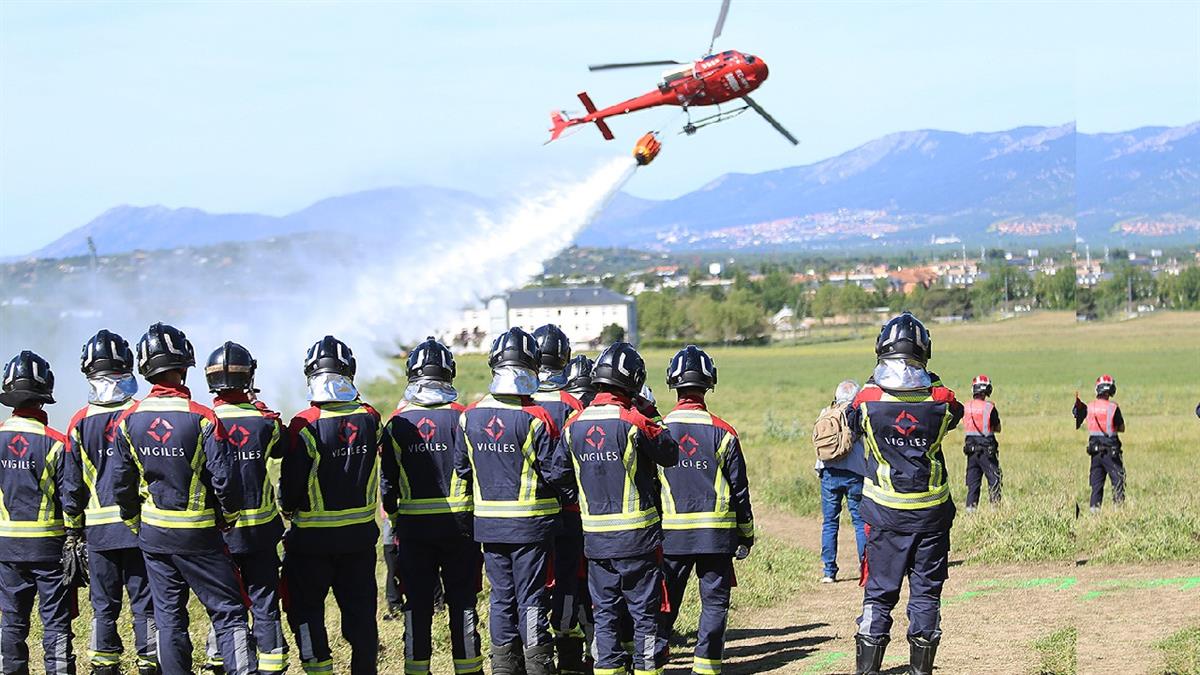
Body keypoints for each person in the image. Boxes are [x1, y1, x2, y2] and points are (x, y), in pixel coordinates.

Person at [113, 322, 257, 675]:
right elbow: (224, 478)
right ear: (185, 364)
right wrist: (230, 515)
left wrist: (135, 522)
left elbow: (121, 483)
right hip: (200, 534)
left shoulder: (127, 420)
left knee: (168, 618)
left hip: (154, 535)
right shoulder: (203, 417)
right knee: (229, 612)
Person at [551, 342, 678, 675]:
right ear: (633, 381)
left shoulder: (573, 424)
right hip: (638, 542)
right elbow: (670, 453)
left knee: (604, 613)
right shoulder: (636, 420)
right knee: (645, 615)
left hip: (595, 542)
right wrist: (652, 412)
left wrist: (580, 494)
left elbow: (555, 473)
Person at [456, 327, 572, 675]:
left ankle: (504, 669)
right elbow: (556, 473)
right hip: (532, 528)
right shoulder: (537, 418)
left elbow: (462, 469)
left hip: (489, 527)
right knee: (532, 600)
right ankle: (539, 668)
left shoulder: (469, 415)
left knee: (500, 599)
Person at [852, 312, 963, 675]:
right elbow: (955, 409)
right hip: (931, 515)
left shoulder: (867, 400)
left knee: (879, 595)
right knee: (926, 594)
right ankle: (921, 670)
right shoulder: (942, 399)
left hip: (884, 515)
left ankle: (867, 669)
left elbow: (854, 418)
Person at [381, 337, 483, 675]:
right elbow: (472, 471)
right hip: (460, 526)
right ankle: (468, 669)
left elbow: (387, 485)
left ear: (412, 373)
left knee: (417, 605)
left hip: (413, 529)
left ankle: (416, 669)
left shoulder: (396, 423)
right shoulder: (463, 418)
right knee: (463, 603)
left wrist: (395, 518)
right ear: (449, 372)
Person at [281, 335, 382, 674]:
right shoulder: (370, 417)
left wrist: (287, 507)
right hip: (359, 537)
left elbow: (292, 484)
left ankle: (318, 669)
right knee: (362, 616)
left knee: (306, 613)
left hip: (311, 539)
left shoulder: (304, 423)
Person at [62, 330, 159, 675]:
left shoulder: (78, 422)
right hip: (140, 527)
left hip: (97, 531)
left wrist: (73, 529)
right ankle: (150, 663)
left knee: (103, 605)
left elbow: (71, 485)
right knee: (145, 602)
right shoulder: (142, 414)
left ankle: (104, 665)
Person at [656, 345, 753, 675]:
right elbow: (740, 489)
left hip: (671, 536)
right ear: (709, 382)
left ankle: (653, 661)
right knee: (714, 604)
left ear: (674, 382)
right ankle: (707, 669)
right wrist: (746, 534)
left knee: (663, 604)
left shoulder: (659, 430)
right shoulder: (723, 432)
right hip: (716, 536)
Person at [202, 342, 289, 674]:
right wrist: (258, 403)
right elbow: (280, 447)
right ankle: (272, 664)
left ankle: (220, 659)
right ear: (248, 377)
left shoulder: (205, 421)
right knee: (265, 602)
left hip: (219, 532)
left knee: (224, 605)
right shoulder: (264, 422)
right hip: (261, 530)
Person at [0, 351, 80, 675]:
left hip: (6, 548)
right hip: (49, 550)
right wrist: (75, 536)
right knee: (56, 622)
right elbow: (71, 498)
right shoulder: (57, 444)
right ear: (45, 394)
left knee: (12, 620)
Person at [531, 325, 589, 674]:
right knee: (569, 580)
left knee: (531, 585)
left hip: (526, 512)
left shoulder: (519, 400)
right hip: (569, 511)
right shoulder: (572, 403)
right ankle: (569, 655)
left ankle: (534, 655)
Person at [1074, 375, 1125, 513]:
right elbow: (1122, 428)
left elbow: (1081, 420)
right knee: (1118, 481)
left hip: (1095, 454)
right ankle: (1119, 513)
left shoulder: (1089, 407)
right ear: (1112, 389)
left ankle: (1094, 515)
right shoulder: (1113, 408)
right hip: (1112, 453)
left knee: (1096, 486)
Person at [962, 374, 1003, 512]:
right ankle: (995, 511)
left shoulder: (966, 406)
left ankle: (970, 512)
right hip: (987, 451)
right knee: (994, 480)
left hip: (971, 451)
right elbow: (998, 428)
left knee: (973, 483)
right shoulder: (989, 407)